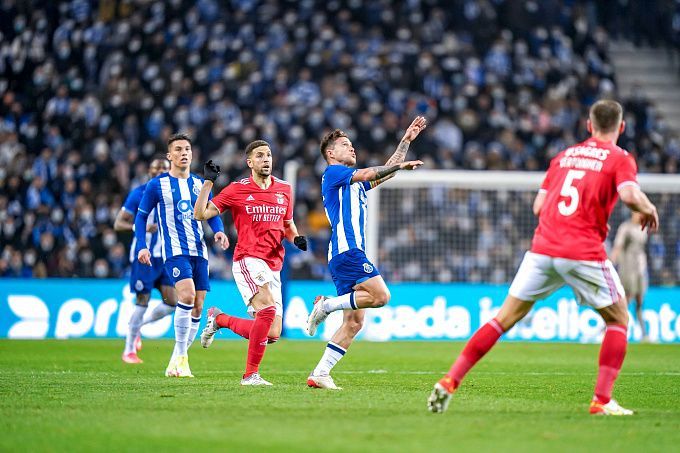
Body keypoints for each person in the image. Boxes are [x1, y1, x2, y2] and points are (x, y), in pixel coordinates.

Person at [427, 100, 659, 416]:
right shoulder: (620, 158)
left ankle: (450, 380)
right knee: (618, 319)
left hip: (543, 249)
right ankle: (602, 401)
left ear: (589, 126)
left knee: (501, 320)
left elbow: (539, 207)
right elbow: (631, 196)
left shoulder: (563, 157)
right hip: (583, 251)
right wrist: (649, 207)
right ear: (621, 127)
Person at [305, 116, 427, 390]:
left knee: (354, 323)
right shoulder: (334, 173)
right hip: (347, 251)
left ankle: (320, 373)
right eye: (345, 145)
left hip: (342, 255)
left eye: (351, 145)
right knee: (381, 296)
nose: (352, 148)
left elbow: (386, 171)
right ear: (330, 153)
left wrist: (405, 141)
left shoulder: (354, 183)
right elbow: (373, 172)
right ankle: (326, 305)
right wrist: (397, 165)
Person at [194, 140, 307, 386]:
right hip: (249, 258)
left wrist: (295, 238)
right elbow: (200, 214)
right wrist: (208, 183)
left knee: (272, 333)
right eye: (259, 156)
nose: (266, 159)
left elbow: (287, 224)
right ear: (250, 163)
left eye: (268, 155)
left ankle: (220, 320)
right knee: (266, 311)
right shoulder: (236, 190)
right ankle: (250, 375)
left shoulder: (285, 189)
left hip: (274, 263)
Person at [134, 133, 229, 377]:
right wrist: (142, 245)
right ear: (170, 156)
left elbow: (212, 212)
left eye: (187, 149)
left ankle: (175, 361)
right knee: (185, 296)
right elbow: (142, 216)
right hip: (175, 251)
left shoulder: (199, 183)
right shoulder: (158, 185)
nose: (184, 153)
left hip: (200, 251)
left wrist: (218, 232)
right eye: (178, 149)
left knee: (198, 307)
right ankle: (182, 358)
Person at [114, 157, 177, 364]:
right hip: (144, 255)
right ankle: (129, 351)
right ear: (149, 172)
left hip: (166, 256)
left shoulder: (175, 192)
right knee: (142, 301)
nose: (161, 171)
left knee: (173, 302)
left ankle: (139, 327)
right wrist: (139, 228)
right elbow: (118, 224)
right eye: (156, 168)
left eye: (165, 169)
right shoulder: (139, 193)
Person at [611, 212, 649, 341]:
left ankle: (644, 334)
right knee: (626, 299)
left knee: (639, 300)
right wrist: (611, 264)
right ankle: (611, 327)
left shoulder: (643, 228)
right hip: (628, 269)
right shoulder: (625, 227)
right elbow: (618, 247)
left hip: (640, 270)